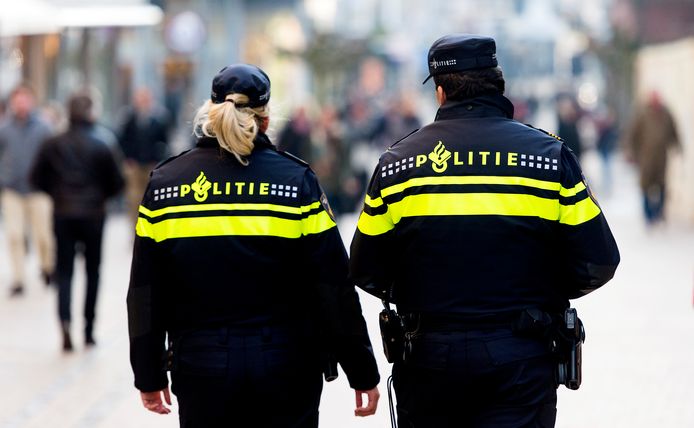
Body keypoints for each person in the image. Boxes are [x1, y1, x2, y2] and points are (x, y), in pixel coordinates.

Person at [350, 34, 620, 427]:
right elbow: (599, 259)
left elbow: (365, 267)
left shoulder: (397, 165)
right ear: (498, 84)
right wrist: (541, 294)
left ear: (441, 92)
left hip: (429, 360)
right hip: (522, 358)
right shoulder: (548, 159)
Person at [126, 64, 380, 427]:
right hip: (286, 365)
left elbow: (145, 293)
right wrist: (361, 369)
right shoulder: (295, 182)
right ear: (265, 117)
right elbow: (332, 285)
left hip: (202, 366)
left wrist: (148, 374)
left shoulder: (167, 185)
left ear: (210, 113)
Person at [30, 92, 124, 351]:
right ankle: (89, 328)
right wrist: (100, 196)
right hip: (93, 214)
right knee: (92, 271)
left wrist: (57, 194)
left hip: (63, 213)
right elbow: (117, 183)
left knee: (65, 271)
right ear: (91, 111)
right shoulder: (103, 142)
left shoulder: (53, 142)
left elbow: (36, 177)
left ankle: (64, 320)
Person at [0, 83, 55, 296]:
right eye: (17, 99)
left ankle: (47, 267)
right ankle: (19, 278)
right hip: (13, 191)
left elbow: (53, 157)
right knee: (14, 235)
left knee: (44, 236)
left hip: (39, 190)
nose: (20, 103)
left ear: (31, 101)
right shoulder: (5, 128)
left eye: (24, 98)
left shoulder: (44, 128)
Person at [623, 90, 680, 227]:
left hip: (661, 157)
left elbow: (674, 131)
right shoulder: (642, 114)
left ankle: (659, 213)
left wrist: (678, 146)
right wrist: (630, 152)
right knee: (645, 186)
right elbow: (632, 134)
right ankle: (648, 215)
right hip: (645, 158)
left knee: (661, 186)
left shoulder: (666, 114)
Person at [117, 87, 170, 226]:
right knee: (133, 199)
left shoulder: (159, 119)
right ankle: (134, 229)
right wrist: (128, 158)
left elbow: (164, 142)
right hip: (134, 165)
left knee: (151, 197)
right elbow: (122, 141)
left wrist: (158, 160)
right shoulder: (129, 118)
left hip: (151, 165)